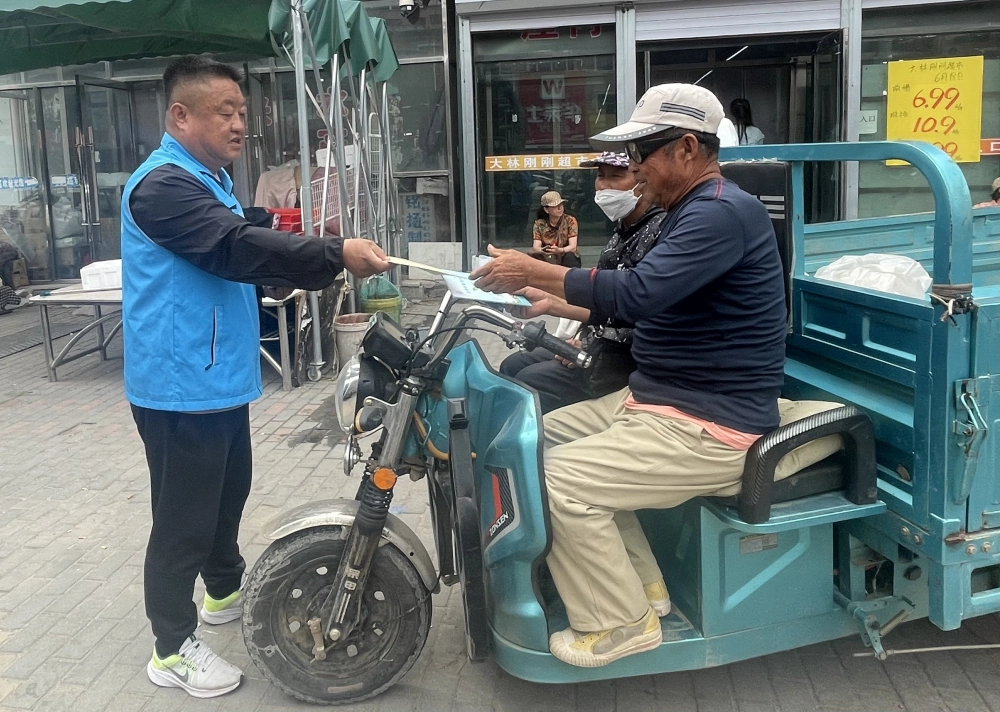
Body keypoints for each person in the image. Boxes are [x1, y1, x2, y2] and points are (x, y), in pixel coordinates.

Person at [471, 83, 787, 668]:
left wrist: (532, 270)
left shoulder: (719, 212)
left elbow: (639, 292)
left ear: (687, 148)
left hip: (709, 422)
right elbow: (638, 299)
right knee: (528, 442)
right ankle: (644, 587)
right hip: (659, 400)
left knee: (553, 480)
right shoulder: (689, 210)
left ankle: (620, 623)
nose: (635, 169)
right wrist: (554, 297)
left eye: (644, 154)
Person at [122, 56, 389, 698]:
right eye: (225, 112)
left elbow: (246, 229)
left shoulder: (207, 179)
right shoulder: (161, 187)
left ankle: (223, 590)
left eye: (243, 112)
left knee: (227, 495)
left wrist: (301, 240)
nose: (240, 124)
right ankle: (170, 648)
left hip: (216, 378)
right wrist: (332, 253)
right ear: (180, 116)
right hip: (180, 385)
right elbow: (231, 245)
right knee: (183, 519)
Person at [500, 151, 666, 413]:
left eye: (615, 177)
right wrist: (549, 303)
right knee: (513, 365)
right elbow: (601, 303)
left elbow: (637, 309)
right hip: (597, 342)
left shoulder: (660, 231)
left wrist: (591, 346)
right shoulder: (623, 231)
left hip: (624, 359)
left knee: (528, 381)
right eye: (600, 176)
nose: (604, 185)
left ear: (642, 180)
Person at [532, 191, 581, 268]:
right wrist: (545, 250)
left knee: (570, 257)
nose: (559, 208)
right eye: (555, 206)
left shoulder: (570, 220)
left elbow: (573, 246)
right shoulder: (539, 224)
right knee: (536, 258)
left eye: (561, 205)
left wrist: (560, 250)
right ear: (546, 209)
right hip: (547, 256)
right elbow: (536, 246)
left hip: (566, 254)